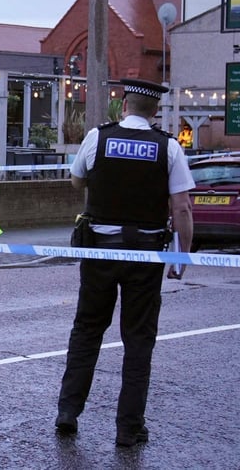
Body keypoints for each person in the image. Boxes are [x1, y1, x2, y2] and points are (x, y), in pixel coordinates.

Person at [56, 78, 194, 447]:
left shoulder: (97, 137)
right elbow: (182, 208)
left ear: (123, 106)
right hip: (146, 255)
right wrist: (181, 255)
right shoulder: (168, 147)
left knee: (87, 329)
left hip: (100, 251)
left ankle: (68, 411)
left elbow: (76, 181)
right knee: (138, 339)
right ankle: (128, 428)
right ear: (155, 111)